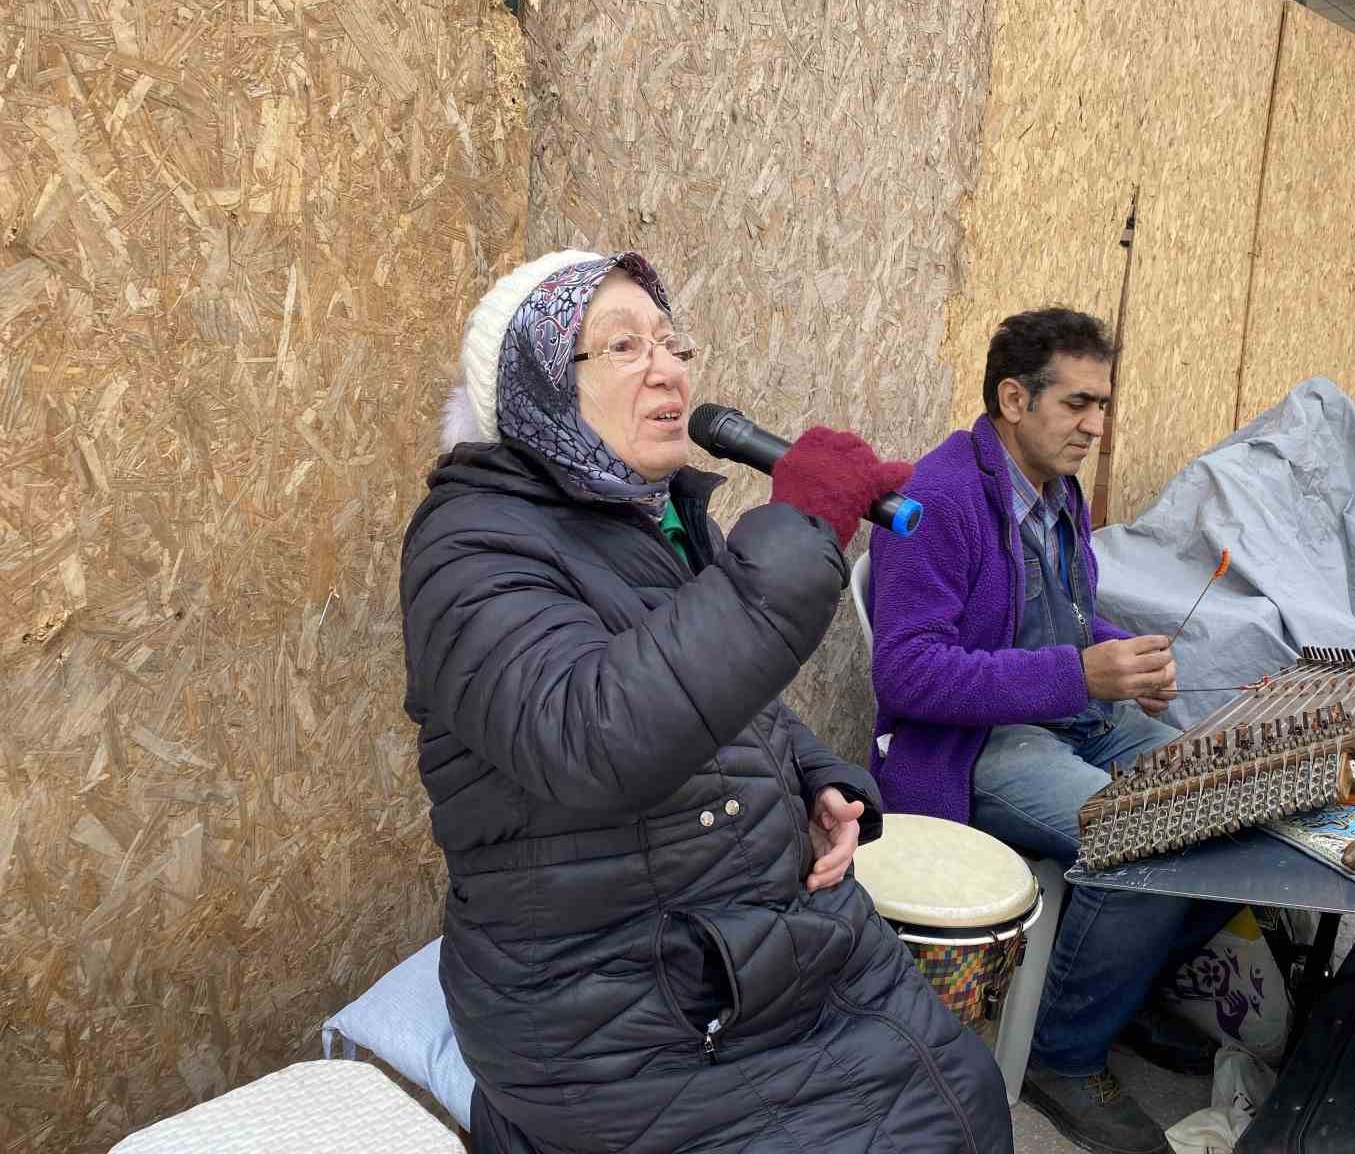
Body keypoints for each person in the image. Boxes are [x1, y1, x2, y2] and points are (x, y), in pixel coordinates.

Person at [400, 249, 1013, 1154]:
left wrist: (818, 778)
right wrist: (801, 532)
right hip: (609, 1005)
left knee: (962, 1089)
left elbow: (723, 695)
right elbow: (591, 735)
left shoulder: (654, 517)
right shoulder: (468, 549)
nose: (668, 367)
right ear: (534, 387)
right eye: (621, 346)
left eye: (671, 340)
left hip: (745, 941)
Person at [866, 308, 1239, 1154]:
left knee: (1225, 797)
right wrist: (1080, 673)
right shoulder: (936, 500)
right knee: (1144, 834)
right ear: (1011, 398)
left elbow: (1063, 619)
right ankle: (1060, 1054)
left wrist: (1120, 656)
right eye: (1077, 404)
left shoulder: (1057, 490)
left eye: (1102, 405)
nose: (1095, 426)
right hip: (972, 746)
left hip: (1066, 719)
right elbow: (907, 673)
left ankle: (1126, 992)